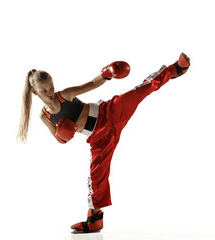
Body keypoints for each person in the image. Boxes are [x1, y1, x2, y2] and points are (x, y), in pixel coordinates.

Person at [17, 53, 191, 233]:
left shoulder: (64, 95)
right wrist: (64, 135)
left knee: (140, 90)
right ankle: (94, 220)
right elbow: (59, 139)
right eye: (44, 90)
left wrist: (107, 73)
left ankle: (175, 69)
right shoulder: (44, 116)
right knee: (96, 178)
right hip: (99, 139)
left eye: (51, 87)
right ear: (35, 92)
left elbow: (91, 84)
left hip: (109, 112)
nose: (50, 93)